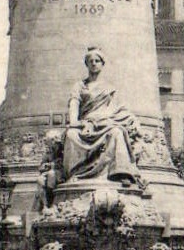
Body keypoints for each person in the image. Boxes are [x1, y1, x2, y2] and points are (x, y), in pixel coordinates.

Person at [62, 47, 150, 196]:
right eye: (90, 61)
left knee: (116, 132)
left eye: (97, 61)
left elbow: (117, 107)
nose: (94, 64)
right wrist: (74, 121)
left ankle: (121, 173)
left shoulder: (108, 88)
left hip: (105, 121)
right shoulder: (80, 86)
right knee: (71, 135)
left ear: (102, 64)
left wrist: (130, 119)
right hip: (86, 123)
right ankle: (74, 173)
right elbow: (74, 103)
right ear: (86, 64)